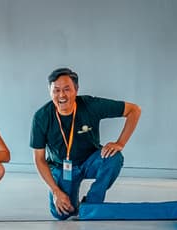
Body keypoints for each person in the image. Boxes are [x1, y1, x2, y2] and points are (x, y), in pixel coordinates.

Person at [30, 68, 142, 220]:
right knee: (61, 213)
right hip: (62, 167)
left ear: (76, 90)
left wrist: (120, 143)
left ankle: (92, 202)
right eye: (56, 90)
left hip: (90, 161)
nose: (61, 95)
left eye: (67, 89)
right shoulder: (41, 117)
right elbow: (39, 159)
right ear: (50, 91)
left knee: (114, 158)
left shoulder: (90, 105)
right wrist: (56, 191)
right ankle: (74, 201)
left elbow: (134, 110)